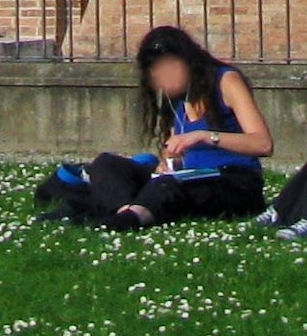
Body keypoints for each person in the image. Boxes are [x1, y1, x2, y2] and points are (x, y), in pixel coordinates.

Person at [62, 24, 276, 228]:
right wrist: (167, 162)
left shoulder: (226, 81)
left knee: (167, 187)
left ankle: (127, 216)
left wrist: (204, 136)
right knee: (108, 165)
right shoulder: (179, 98)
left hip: (232, 181)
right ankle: (125, 211)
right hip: (187, 176)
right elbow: (174, 147)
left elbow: (262, 144)